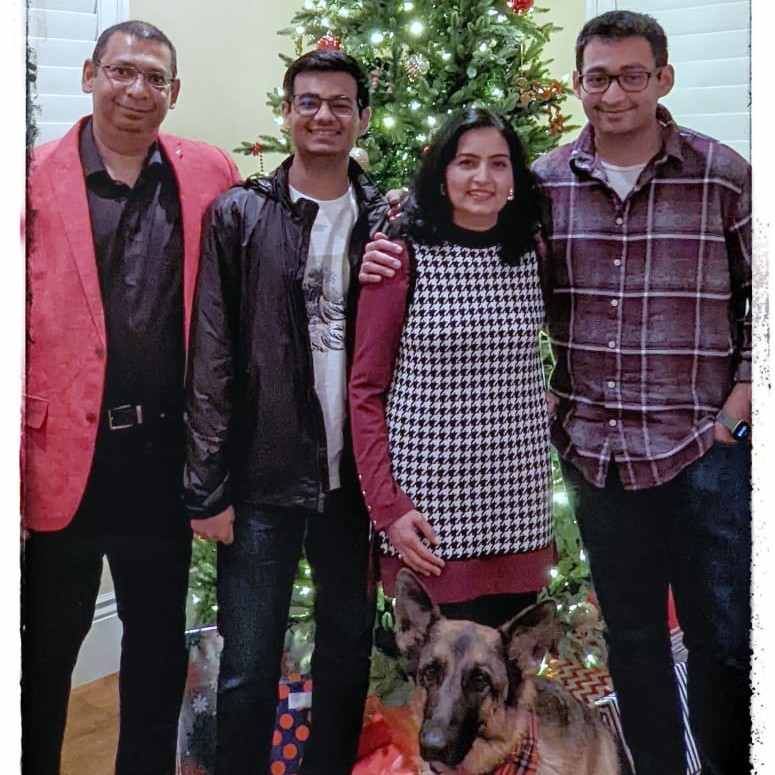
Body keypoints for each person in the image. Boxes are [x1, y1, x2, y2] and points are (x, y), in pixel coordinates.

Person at [361, 10, 752, 775]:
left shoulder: (721, 174)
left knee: (721, 641)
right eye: (598, 77)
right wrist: (394, 221)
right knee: (633, 644)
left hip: (702, 450)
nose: (614, 93)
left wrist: (738, 406)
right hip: (600, 456)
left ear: (662, 78)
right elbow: (465, 222)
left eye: (632, 75)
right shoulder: (544, 183)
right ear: (576, 83)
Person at [22, 20, 240, 775]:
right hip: (60, 460)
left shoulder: (208, 172)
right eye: (121, 71)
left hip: (161, 457)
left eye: (154, 78)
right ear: (90, 74)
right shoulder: (30, 180)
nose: (136, 90)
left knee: (154, 648)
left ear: (174, 92)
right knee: (44, 653)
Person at [182, 49, 387, 775]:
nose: (324, 115)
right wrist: (207, 489)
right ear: (287, 112)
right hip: (261, 478)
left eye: (340, 103)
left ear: (363, 117)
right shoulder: (239, 215)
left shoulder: (389, 218)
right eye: (308, 101)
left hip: (355, 482)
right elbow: (211, 355)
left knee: (347, 651)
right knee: (247, 663)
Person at [349, 107, 554, 628]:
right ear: (442, 173)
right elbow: (366, 391)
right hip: (427, 512)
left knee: (509, 668)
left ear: (515, 176)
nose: (482, 177)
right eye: (466, 162)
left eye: (498, 164)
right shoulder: (400, 258)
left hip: (518, 505)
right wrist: (388, 509)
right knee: (440, 673)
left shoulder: (532, 253)